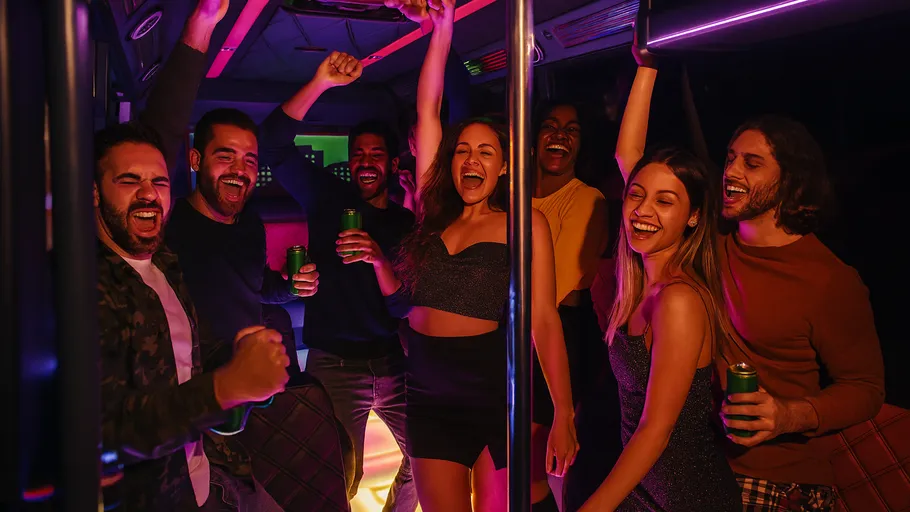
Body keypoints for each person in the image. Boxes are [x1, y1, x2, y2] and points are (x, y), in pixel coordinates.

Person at [615, 34, 885, 511]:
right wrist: (646, 64)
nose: (731, 169)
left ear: (791, 183)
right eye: (733, 157)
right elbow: (637, 167)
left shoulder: (828, 279)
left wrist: (789, 414)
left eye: (752, 163)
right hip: (701, 464)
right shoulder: (713, 240)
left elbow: (865, 389)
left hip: (780, 481)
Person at [352, 1, 576, 510]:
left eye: (485, 152)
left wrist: (562, 411)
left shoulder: (522, 223)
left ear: (503, 168)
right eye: (461, 151)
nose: (470, 159)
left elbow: (543, 318)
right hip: (427, 394)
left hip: (492, 391)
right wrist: (443, 29)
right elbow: (427, 109)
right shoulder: (434, 211)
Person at [95, 119, 290, 511]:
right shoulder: (84, 285)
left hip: (201, 475)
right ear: (94, 193)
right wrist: (224, 388)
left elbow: (179, 361)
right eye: (130, 181)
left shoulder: (163, 260)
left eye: (160, 183)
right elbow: (101, 433)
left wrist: (239, 357)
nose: (149, 194)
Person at [258, 52, 417, 512]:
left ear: (391, 163)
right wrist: (321, 82)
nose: (366, 162)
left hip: (390, 366)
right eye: (359, 154)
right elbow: (270, 144)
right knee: (337, 477)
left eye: (376, 155)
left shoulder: (404, 224)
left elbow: (403, 306)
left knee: (426, 458)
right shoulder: (327, 196)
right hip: (332, 365)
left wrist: (377, 258)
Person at [578, 143, 740, 509]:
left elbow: (656, 429)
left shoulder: (678, 300)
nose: (643, 210)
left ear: (693, 217)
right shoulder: (638, 288)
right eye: (636, 194)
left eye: (664, 201)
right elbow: (626, 152)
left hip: (689, 498)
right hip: (645, 491)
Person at [529, 99, 617, 511]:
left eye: (572, 129)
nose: (560, 135)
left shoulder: (588, 200)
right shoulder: (515, 197)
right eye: (550, 125)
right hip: (517, 331)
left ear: (582, 145)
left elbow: (554, 288)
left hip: (557, 337)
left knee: (531, 473)